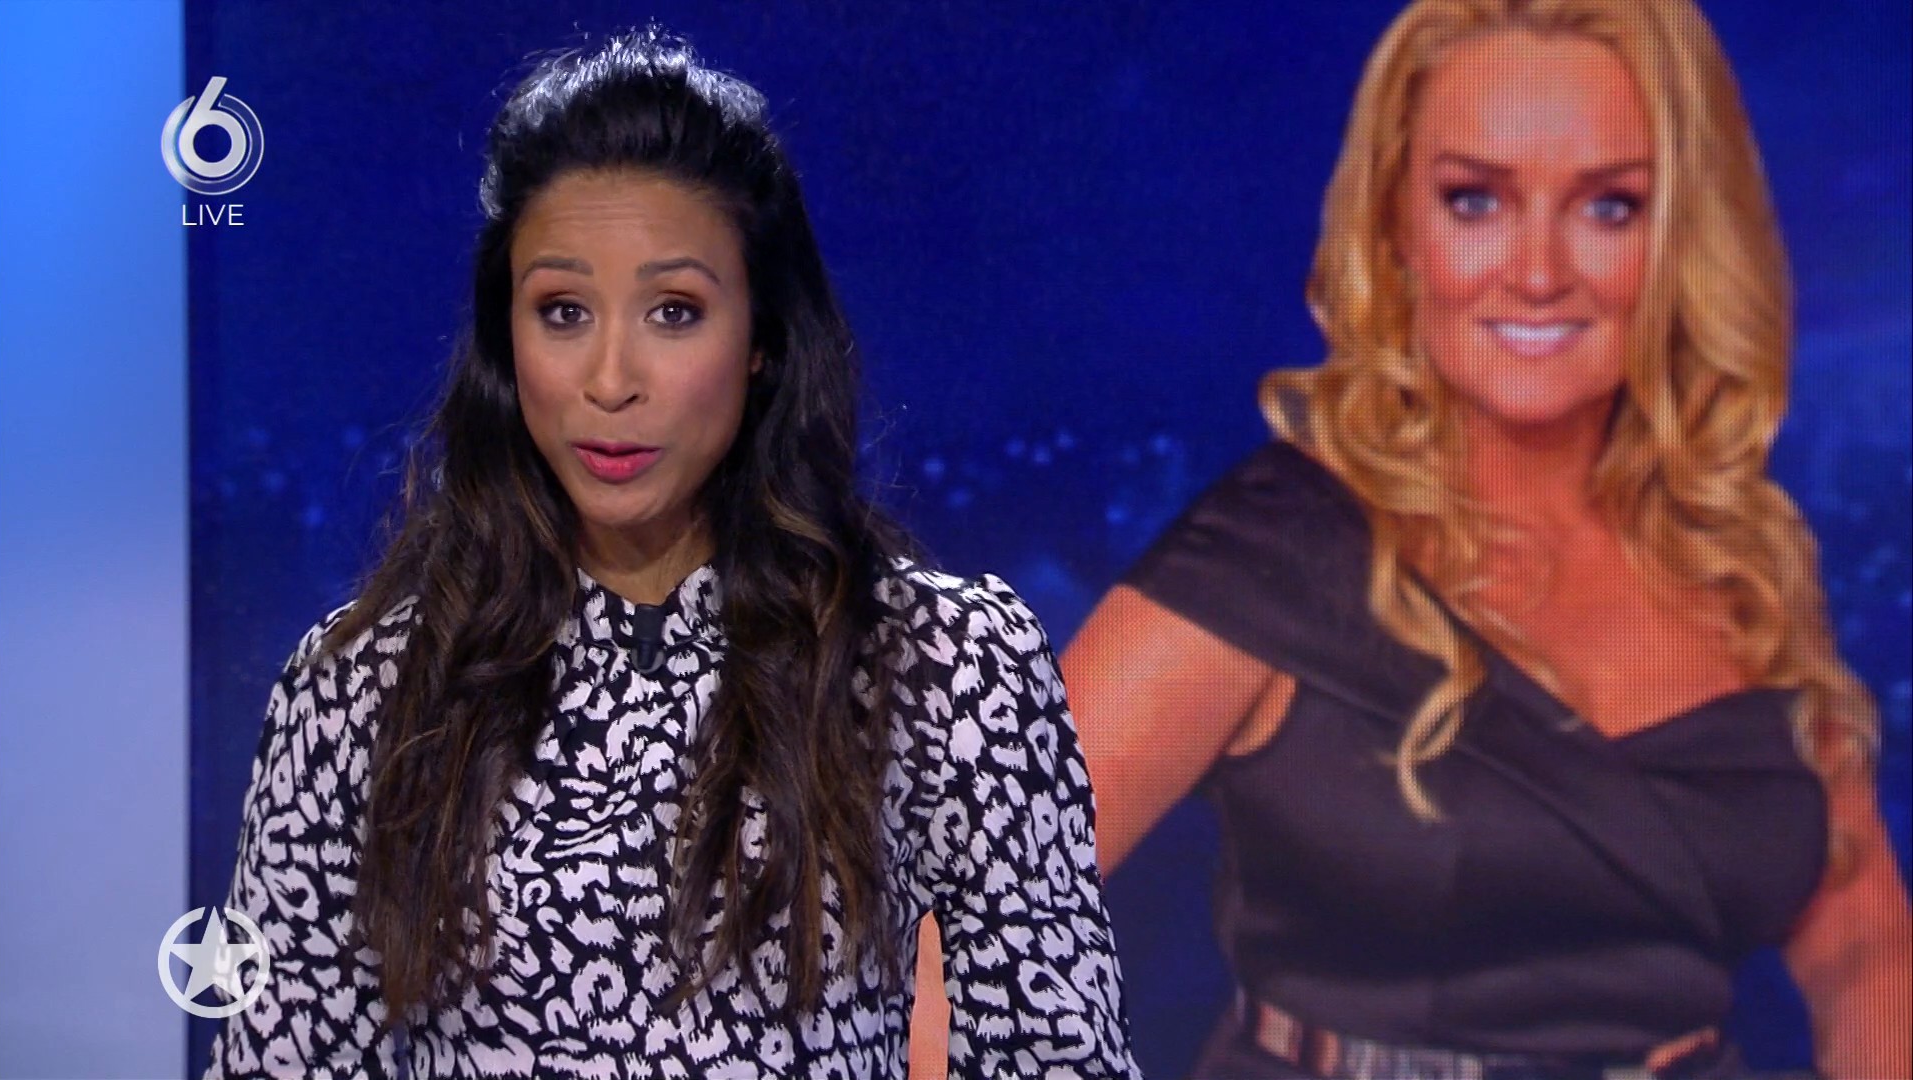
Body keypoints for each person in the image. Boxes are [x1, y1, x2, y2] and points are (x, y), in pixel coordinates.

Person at [918, 0, 1912, 1077]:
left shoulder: (1736, 554)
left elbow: (1865, 951)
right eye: (1475, 200)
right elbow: (950, 946)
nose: (1539, 272)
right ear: (1395, 226)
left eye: (1609, 207)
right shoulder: (1272, 555)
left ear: (1682, 235)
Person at [201, 31, 1136, 1080]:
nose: (611, 379)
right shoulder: (365, 687)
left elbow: (1060, 1060)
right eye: (563, 312)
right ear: (507, 340)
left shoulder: (941, 668)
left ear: (762, 338)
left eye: (673, 312)